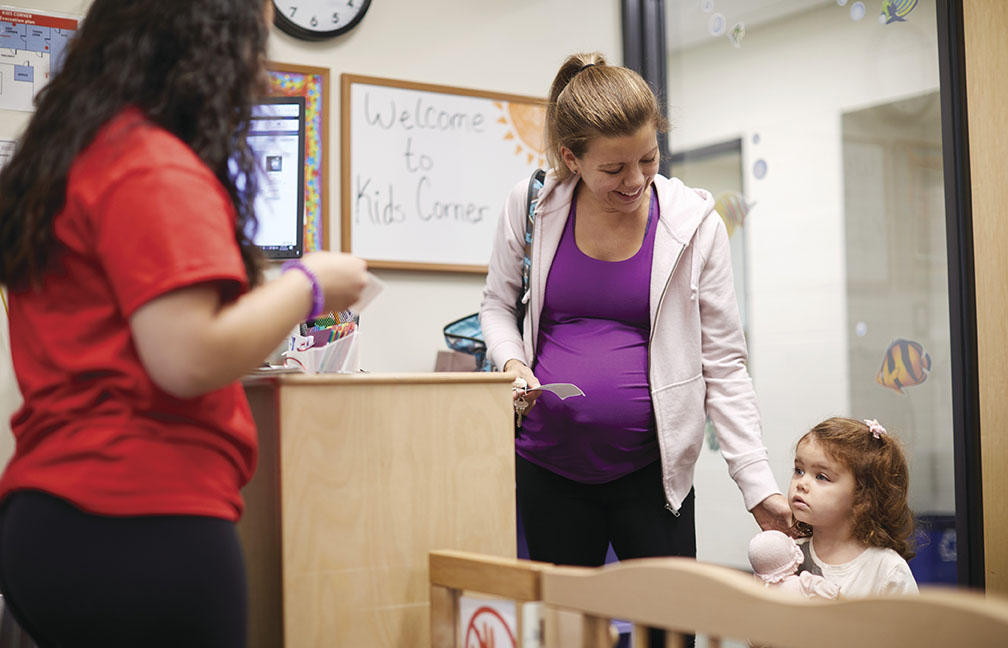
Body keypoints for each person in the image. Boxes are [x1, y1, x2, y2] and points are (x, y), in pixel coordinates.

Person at [0, 1, 368, 646]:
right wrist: (310, 285)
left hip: (55, 517)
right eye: (255, 41)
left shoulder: (69, 159)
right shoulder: (152, 164)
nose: (259, 68)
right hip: (142, 518)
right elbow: (188, 357)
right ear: (208, 48)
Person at [479, 52, 791, 573]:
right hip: (547, 466)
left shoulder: (694, 225)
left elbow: (725, 366)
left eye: (648, 159)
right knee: (567, 630)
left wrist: (756, 485)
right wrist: (513, 364)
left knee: (669, 629)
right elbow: (496, 305)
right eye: (613, 168)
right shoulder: (531, 205)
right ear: (571, 158)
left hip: (653, 474)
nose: (635, 180)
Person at [789, 417, 919, 597]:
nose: (801, 483)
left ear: (863, 498)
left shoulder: (887, 570)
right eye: (799, 470)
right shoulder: (789, 556)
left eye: (821, 477)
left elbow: (910, 625)